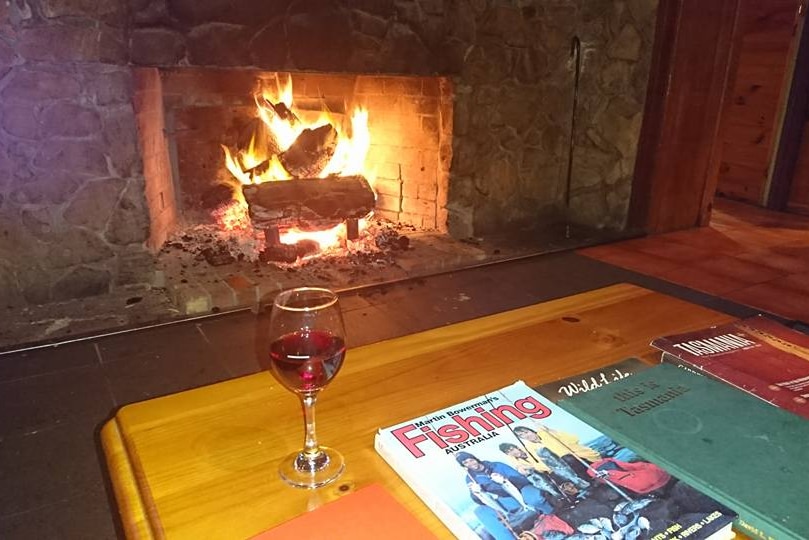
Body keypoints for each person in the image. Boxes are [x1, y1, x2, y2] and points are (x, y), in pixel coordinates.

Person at [455, 451, 553, 539]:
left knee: (534, 499)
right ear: (464, 466)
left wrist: (505, 480)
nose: (470, 464)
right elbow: (478, 500)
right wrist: (475, 492)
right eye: (465, 463)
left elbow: (522, 480)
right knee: (480, 511)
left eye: (471, 460)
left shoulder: (497, 465)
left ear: (475, 458)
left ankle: (553, 516)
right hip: (505, 500)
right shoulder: (470, 478)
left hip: (521, 490)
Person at [512, 425, 598, 490]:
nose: (526, 436)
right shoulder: (529, 448)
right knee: (557, 474)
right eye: (522, 435)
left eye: (526, 432)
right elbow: (541, 465)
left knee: (568, 459)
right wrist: (521, 467)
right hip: (562, 468)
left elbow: (574, 439)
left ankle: (591, 480)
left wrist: (553, 432)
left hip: (580, 458)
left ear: (531, 431)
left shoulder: (546, 433)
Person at [498, 442, 566, 501]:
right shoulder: (514, 459)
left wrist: (531, 467)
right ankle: (557, 496)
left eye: (512, 449)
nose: (512, 452)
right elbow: (519, 468)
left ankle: (563, 493)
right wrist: (521, 470)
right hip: (540, 475)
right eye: (508, 452)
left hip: (552, 470)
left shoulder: (530, 449)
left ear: (517, 447)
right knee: (533, 478)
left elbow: (546, 465)